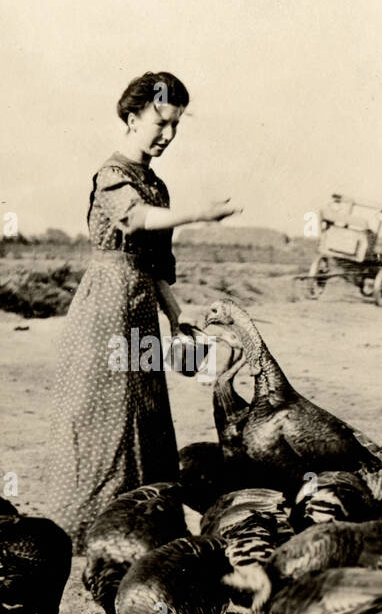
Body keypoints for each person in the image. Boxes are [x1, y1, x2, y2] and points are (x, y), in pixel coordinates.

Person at [48, 71, 239, 548]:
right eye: (160, 123)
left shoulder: (158, 187)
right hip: (105, 308)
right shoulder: (113, 177)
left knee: (147, 418)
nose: (168, 136)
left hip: (140, 310)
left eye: (175, 126)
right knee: (103, 418)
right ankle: (88, 532)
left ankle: (141, 529)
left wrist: (176, 314)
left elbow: (153, 263)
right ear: (131, 118)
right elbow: (134, 220)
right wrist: (199, 215)